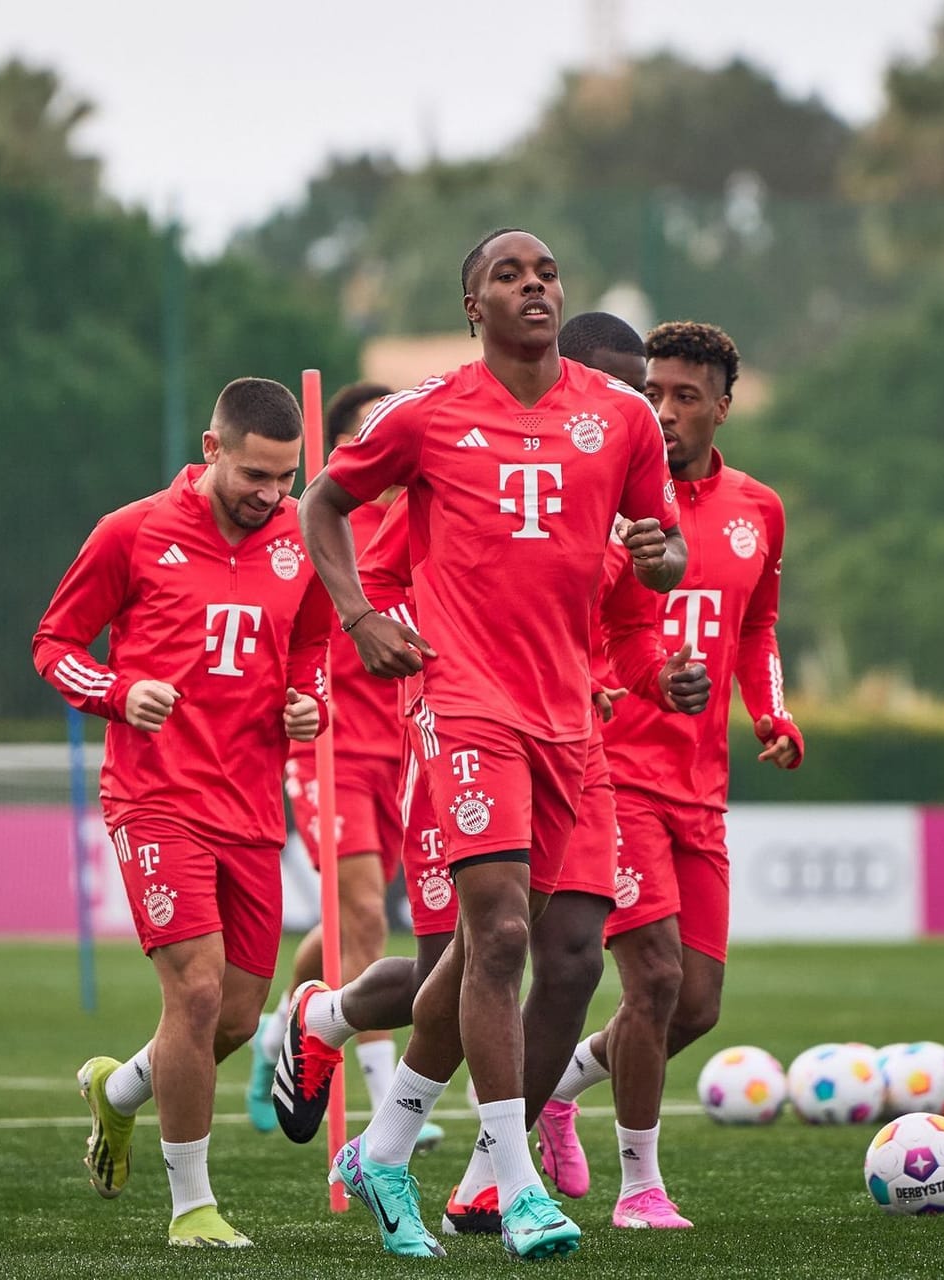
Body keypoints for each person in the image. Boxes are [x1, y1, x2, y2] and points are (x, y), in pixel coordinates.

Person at [267, 314, 710, 1237]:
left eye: (653, 394)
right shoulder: (451, 430)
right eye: (630, 388)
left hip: (572, 732)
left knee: (570, 959)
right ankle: (505, 1180)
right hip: (459, 718)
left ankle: (392, 1140)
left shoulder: (618, 461)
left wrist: (658, 666)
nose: (644, 410)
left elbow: (634, 618)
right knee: (481, 949)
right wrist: (371, 628)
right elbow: (375, 564)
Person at [32, 377, 332, 1249]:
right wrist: (120, 694)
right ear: (212, 450)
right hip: (154, 799)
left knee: (239, 1017)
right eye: (256, 476)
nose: (271, 495)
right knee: (195, 995)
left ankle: (117, 1091)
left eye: (285, 478)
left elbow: (308, 650)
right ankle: (191, 1206)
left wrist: (303, 703)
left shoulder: (298, 540)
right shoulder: (131, 532)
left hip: (252, 806)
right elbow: (52, 646)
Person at [535, 320, 805, 1230]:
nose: (664, 410)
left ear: (722, 408)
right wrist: (613, 685)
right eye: (652, 392)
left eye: (686, 396)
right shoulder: (607, 506)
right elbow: (571, 627)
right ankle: (641, 1189)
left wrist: (770, 710)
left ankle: (561, 1087)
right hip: (612, 777)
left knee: (696, 1005)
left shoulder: (758, 510)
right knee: (649, 981)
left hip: (703, 787)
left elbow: (758, 627)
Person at [245, 380, 439, 1153]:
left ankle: (276, 1036)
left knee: (344, 920)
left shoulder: (424, 523)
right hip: (324, 746)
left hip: (402, 750)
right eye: (369, 433)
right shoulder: (317, 530)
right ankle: (384, 1091)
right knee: (362, 913)